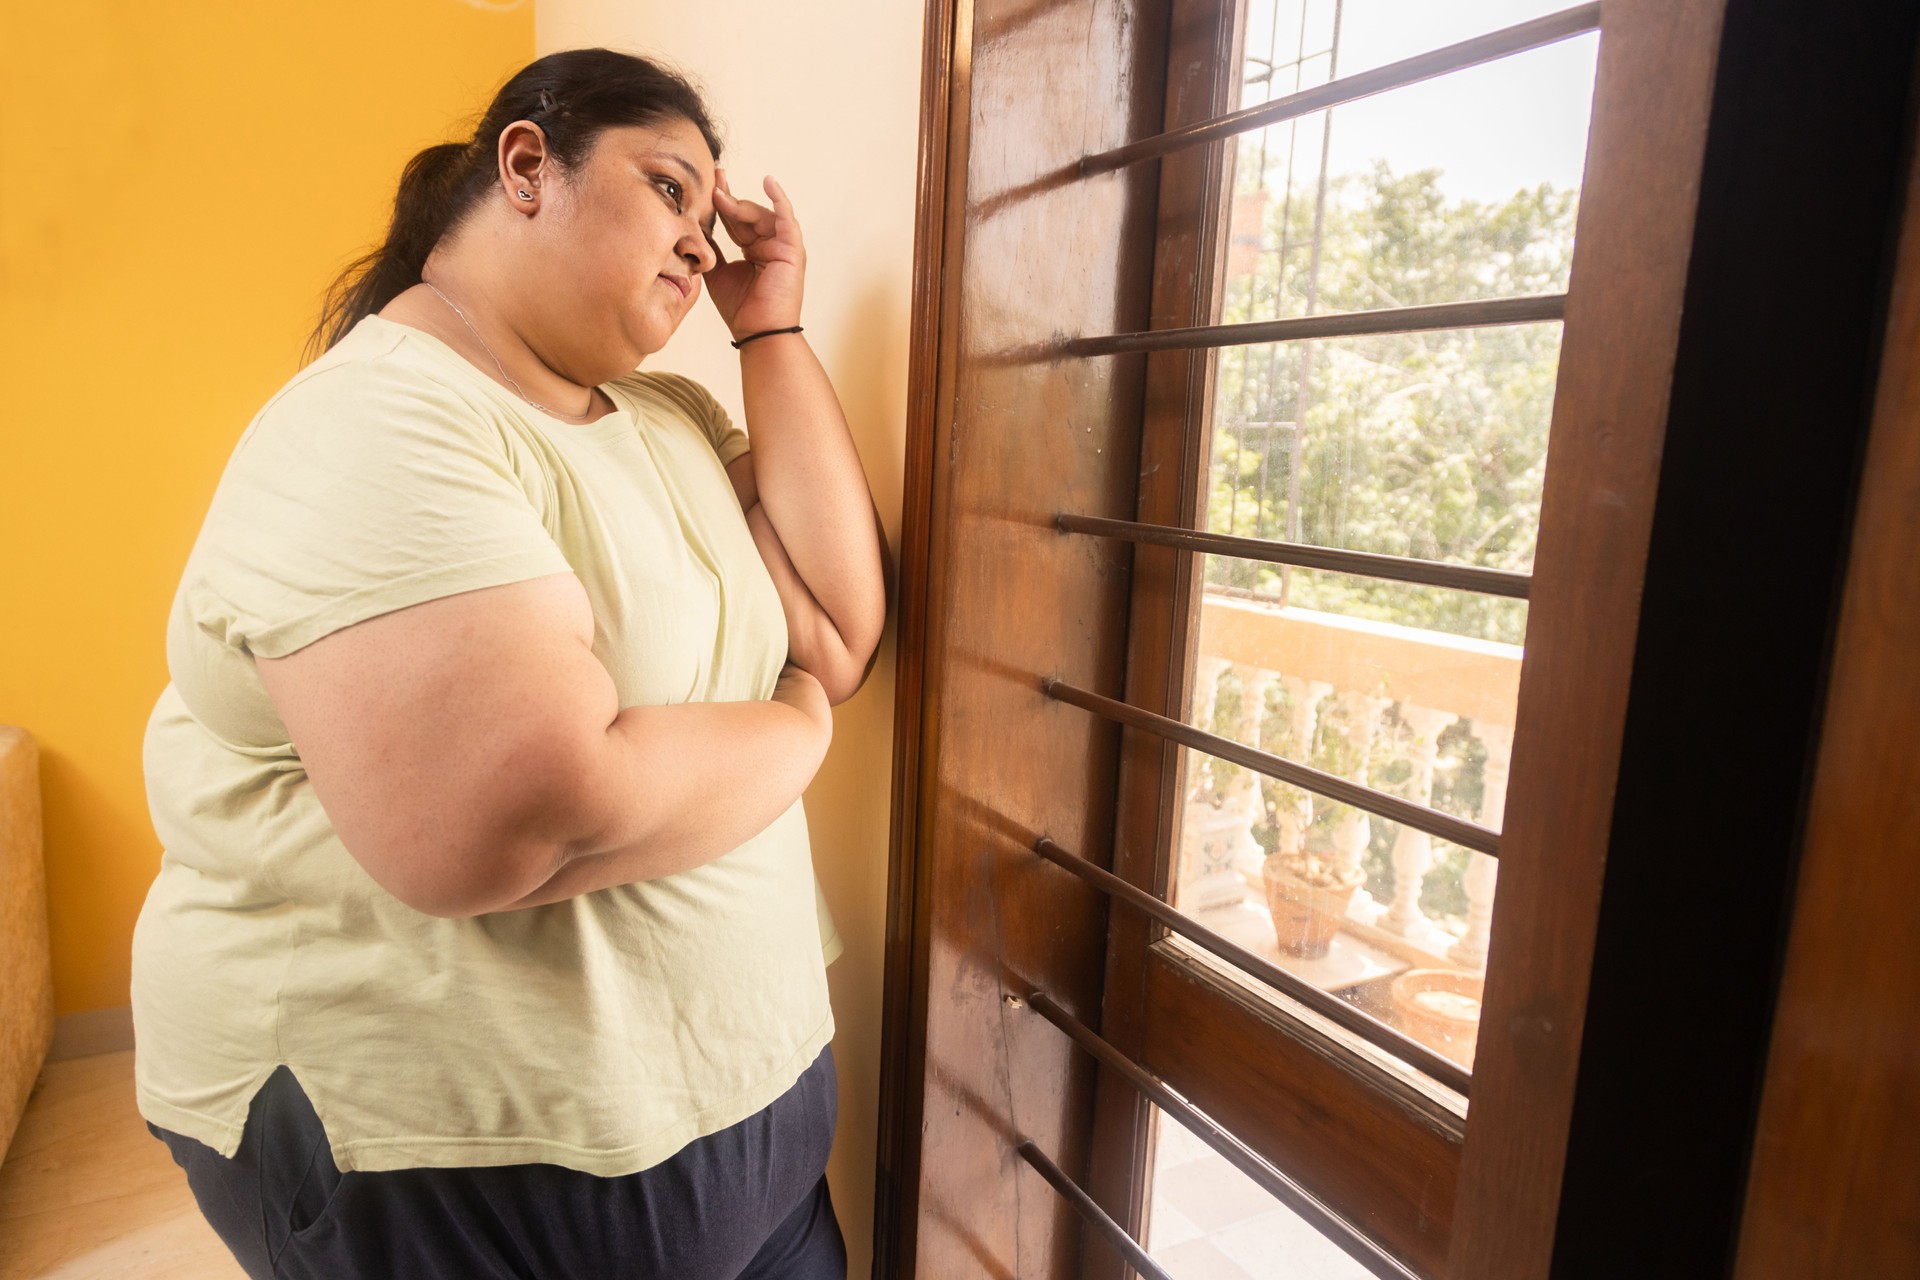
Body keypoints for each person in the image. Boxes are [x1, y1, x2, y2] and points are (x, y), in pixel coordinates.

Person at [130, 47, 888, 1279]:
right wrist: (798, 730)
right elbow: (515, 822)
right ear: (528, 164)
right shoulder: (376, 422)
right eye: (669, 189)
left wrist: (774, 325)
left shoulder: (666, 420)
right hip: (452, 1165)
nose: (701, 245)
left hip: (755, 1128)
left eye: (712, 216)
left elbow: (839, 627)